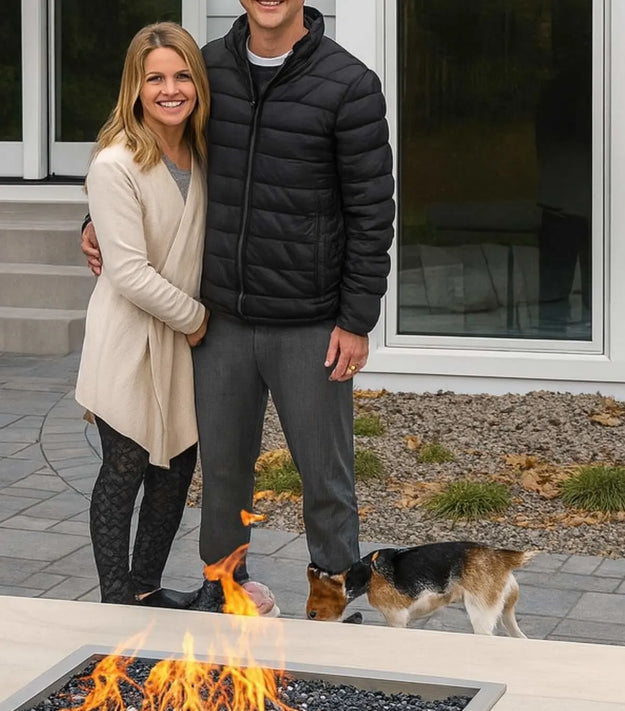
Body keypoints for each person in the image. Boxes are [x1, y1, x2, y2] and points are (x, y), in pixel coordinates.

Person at [83, 1, 395, 613]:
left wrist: (356, 319)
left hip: (310, 321)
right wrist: (92, 219)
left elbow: (372, 211)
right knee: (223, 474)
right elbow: (145, 146)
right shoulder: (206, 70)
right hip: (219, 319)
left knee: (325, 478)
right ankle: (225, 589)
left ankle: (333, 594)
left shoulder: (350, 84)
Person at [75, 23, 212, 609]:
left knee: (177, 468)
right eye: (155, 77)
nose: (170, 89)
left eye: (182, 76)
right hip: (131, 336)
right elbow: (127, 272)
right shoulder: (116, 163)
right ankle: (114, 600)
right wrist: (198, 319)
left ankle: (146, 588)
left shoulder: (206, 152)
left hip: (179, 340)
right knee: (125, 464)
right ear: (136, 86)